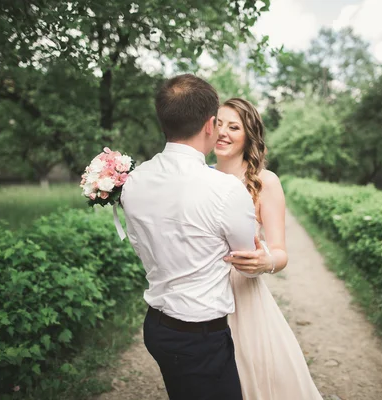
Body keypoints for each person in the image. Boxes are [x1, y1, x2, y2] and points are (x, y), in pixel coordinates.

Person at [121, 75, 258, 400]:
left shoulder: (133, 181)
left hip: (157, 328)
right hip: (201, 336)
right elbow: (244, 256)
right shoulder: (225, 189)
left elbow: (140, 244)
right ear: (210, 125)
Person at [215, 98, 324, 400]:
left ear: (249, 136)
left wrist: (266, 261)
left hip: (243, 298)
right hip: (201, 295)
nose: (223, 132)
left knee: (253, 380)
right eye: (218, 123)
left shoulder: (265, 182)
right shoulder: (202, 176)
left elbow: (280, 252)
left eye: (233, 127)